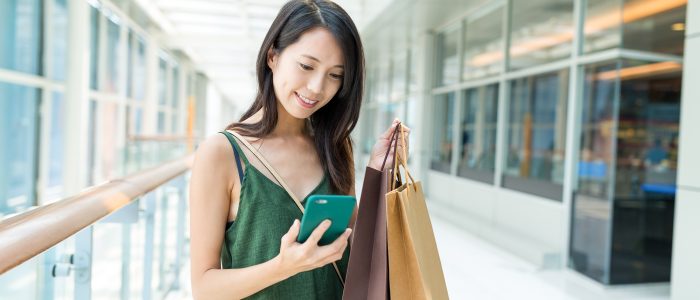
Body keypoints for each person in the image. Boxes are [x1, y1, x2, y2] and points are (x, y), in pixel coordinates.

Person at [188, 1, 410, 299]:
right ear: (272, 56)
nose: (317, 87)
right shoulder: (221, 153)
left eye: (335, 75)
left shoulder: (335, 146)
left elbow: (358, 253)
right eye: (307, 66)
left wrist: (377, 175)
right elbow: (204, 288)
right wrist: (283, 266)